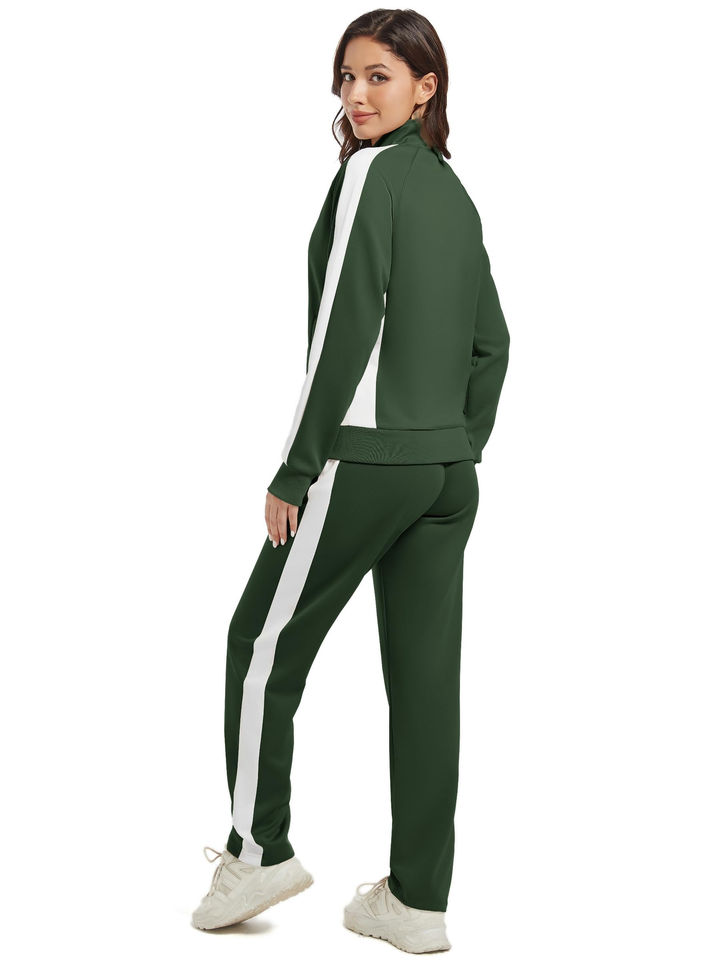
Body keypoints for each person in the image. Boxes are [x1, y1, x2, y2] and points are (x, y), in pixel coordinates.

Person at [191, 9, 510, 954]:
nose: (357, 96)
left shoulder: (371, 176)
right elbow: (494, 343)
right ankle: (417, 901)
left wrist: (298, 468)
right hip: (446, 475)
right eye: (346, 78)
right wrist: (457, 442)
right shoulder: (454, 193)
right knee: (426, 686)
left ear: (425, 87)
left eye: (379, 76)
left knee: (260, 644)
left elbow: (343, 330)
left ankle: (258, 852)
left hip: (364, 463)